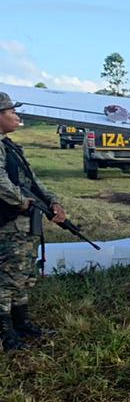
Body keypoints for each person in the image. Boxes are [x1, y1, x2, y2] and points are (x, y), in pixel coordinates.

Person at [0, 92, 67, 351]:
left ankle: (21, 323)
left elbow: (33, 181)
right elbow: (2, 182)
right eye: (11, 113)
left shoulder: (11, 146)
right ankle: (6, 333)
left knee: (23, 274)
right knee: (7, 277)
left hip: (23, 223)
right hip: (8, 223)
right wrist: (21, 201)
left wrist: (53, 201)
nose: (17, 117)